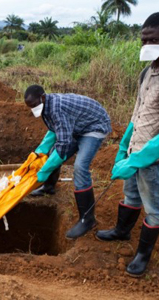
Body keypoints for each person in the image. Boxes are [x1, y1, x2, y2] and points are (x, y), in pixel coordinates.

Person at [96, 13, 159, 277]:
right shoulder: (147, 72)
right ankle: (122, 231)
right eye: (144, 40)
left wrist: (139, 158)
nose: (147, 45)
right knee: (131, 194)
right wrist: (124, 148)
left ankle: (143, 255)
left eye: (153, 39)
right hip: (135, 149)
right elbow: (137, 113)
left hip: (152, 158)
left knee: (154, 209)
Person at [25, 85, 111, 239]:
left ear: (43, 97)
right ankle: (48, 187)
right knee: (52, 154)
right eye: (30, 107)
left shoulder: (57, 108)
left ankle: (87, 219)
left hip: (94, 126)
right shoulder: (46, 106)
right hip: (77, 126)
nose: (33, 108)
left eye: (34, 105)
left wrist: (44, 170)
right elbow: (53, 132)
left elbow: (63, 144)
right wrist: (39, 152)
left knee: (80, 167)